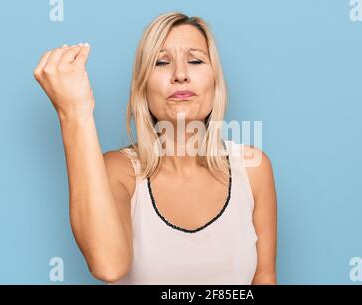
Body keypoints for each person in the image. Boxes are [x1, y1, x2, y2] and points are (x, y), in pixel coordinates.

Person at [33, 11, 277, 285]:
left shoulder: (252, 168)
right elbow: (107, 266)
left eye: (195, 60)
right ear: (142, 88)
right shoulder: (119, 171)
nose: (180, 75)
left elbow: (264, 277)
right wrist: (74, 113)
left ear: (216, 83)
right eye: (161, 62)